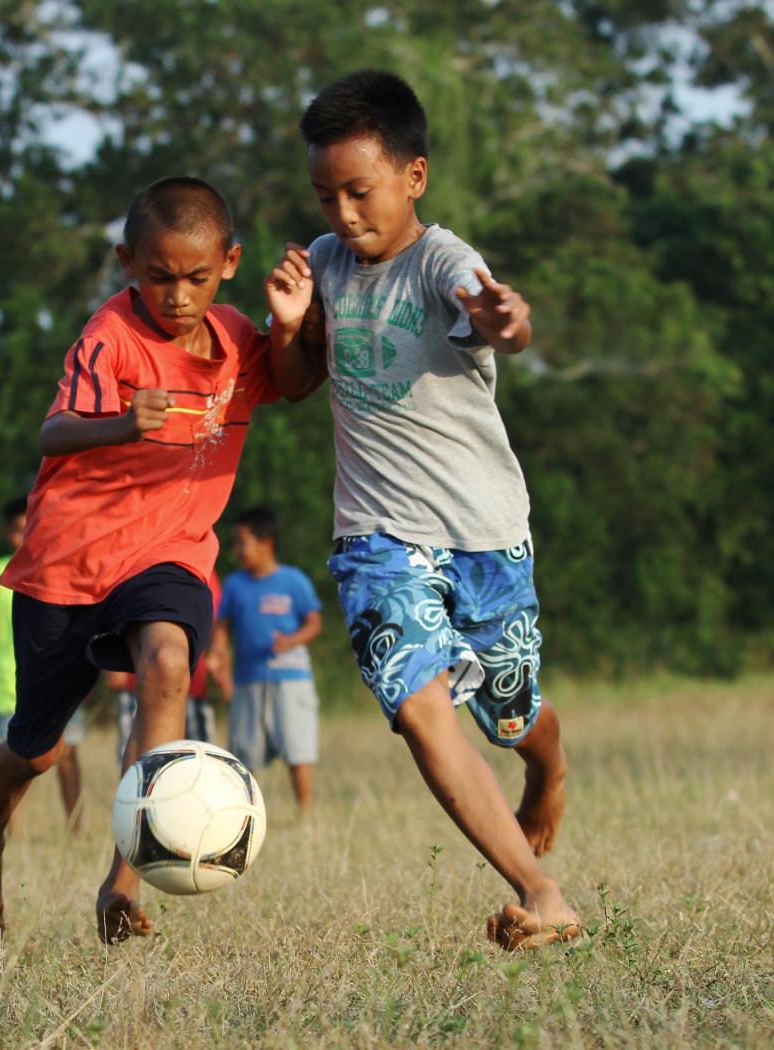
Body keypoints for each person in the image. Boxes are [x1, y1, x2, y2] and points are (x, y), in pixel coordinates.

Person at [265, 70, 577, 949]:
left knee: (510, 713)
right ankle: (540, 892)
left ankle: (548, 768)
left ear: (414, 177)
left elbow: (494, 322)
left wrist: (506, 318)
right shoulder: (324, 266)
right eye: (326, 195)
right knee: (417, 703)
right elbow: (293, 387)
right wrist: (289, 326)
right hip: (377, 539)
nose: (343, 213)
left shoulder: (444, 262)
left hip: (485, 535)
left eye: (359, 191)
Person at [0, 176, 284, 943]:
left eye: (196, 278)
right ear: (127, 261)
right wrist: (118, 425)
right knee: (33, 753)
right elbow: (53, 432)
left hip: (168, 553)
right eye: (158, 277)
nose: (176, 296)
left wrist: (299, 324)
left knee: (167, 663)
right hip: (71, 562)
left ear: (228, 263)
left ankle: (127, 876)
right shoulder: (110, 336)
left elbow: (294, 381)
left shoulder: (236, 337)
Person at [0, 497, 84, 832]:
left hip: (61, 678)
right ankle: (13, 831)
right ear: (7, 533)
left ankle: (75, 826)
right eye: (17, 530)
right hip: (10, 681)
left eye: (30, 528)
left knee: (67, 752)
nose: (24, 536)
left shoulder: (62, 564)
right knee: (15, 755)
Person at [211, 507, 322, 812]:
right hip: (248, 679)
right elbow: (222, 629)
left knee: (297, 746)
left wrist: (293, 640)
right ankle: (248, 813)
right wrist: (220, 662)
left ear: (266, 543)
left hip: (291, 678)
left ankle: (305, 811)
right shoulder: (235, 585)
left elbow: (314, 623)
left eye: (241, 542)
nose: (236, 551)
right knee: (245, 752)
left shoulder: (293, 580)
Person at [113, 571, 227, 755]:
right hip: (138, 684)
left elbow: (217, 624)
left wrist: (221, 667)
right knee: (140, 758)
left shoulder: (202, 566)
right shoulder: (135, 557)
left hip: (191, 685)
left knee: (199, 756)